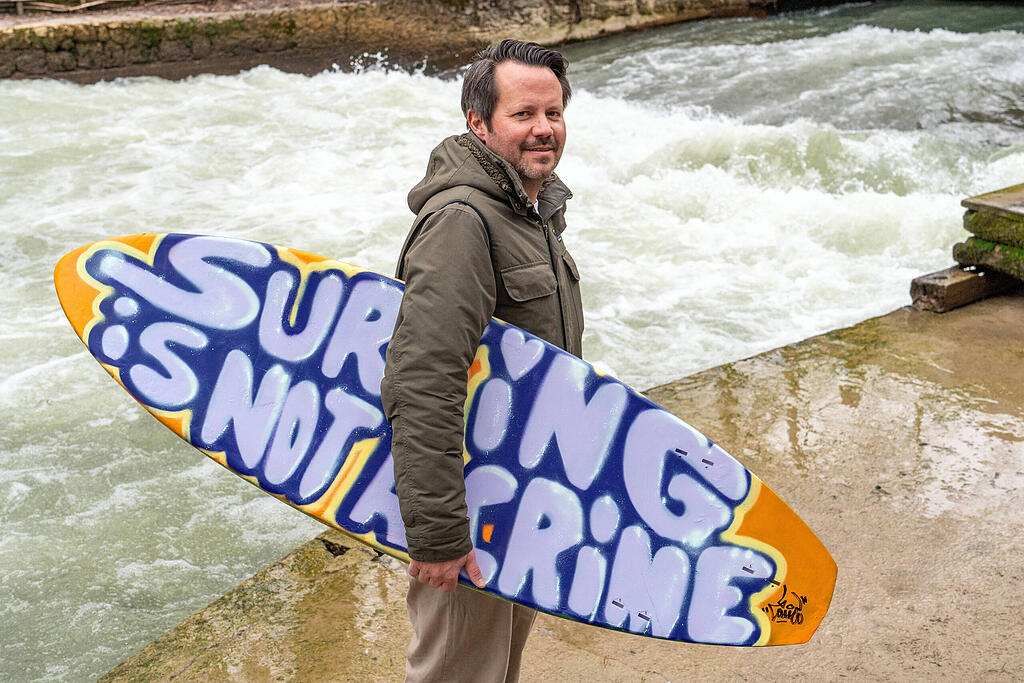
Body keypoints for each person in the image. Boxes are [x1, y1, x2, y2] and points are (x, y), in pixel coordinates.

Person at [380, 39, 584, 682]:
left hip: (517, 497)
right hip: (471, 508)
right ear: (479, 122)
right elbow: (422, 380)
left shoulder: (529, 210)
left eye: (553, 113)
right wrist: (440, 534)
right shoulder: (463, 221)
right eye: (523, 114)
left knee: (496, 668)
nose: (543, 129)